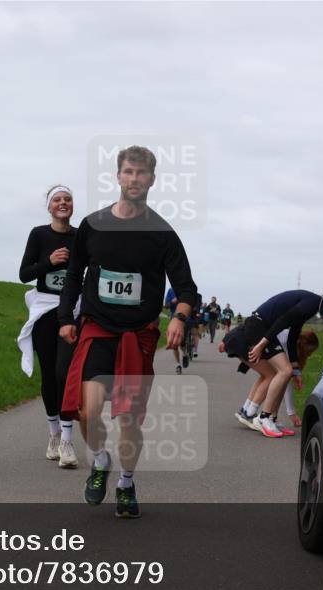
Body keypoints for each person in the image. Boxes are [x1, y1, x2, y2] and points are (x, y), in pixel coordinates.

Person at [57, 145, 198, 519]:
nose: (134, 179)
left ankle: (126, 482)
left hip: (138, 334)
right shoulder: (93, 224)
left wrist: (180, 318)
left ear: (152, 179)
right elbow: (74, 275)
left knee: (129, 418)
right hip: (98, 329)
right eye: (128, 172)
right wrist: (65, 318)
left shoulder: (162, 233)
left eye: (142, 173)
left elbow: (186, 288)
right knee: (87, 409)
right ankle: (101, 461)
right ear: (118, 176)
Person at [17, 185, 79, 467]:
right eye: (58, 199)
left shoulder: (81, 236)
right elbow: (24, 274)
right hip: (44, 310)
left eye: (67, 199)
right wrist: (49, 262)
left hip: (71, 311)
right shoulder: (39, 234)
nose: (63, 203)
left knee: (64, 374)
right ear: (49, 206)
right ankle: (53, 433)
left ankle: (67, 440)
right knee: (49, 377)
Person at [221, 290, 320, 438]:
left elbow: (293, 337)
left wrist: (297, 371)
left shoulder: (309, 304)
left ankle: (271, 419)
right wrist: (261, 345)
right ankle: (263, 418)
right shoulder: (313, 303)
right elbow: (283, 321)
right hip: (260, 326)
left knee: (286, 372)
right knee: (283, 371)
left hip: (261, 325)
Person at [164, 286, 183, 374]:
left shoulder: (185, 289)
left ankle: (186, 353)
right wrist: (172, 301)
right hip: (173, 318)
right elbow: (166, 306)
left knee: (182, 343)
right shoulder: (170, 290)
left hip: (184, 319)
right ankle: (178, 364)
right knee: (175, 343)